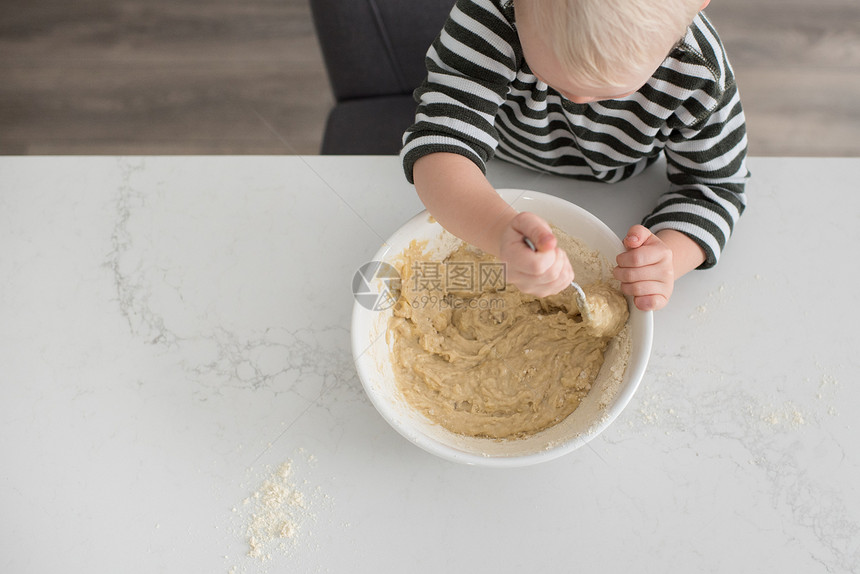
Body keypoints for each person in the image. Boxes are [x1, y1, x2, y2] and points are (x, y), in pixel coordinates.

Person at [400, 0, 749, 311]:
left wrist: (666, 259)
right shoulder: (490, 16)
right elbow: (440, 141)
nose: (579, 102)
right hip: (490, 168)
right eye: (547, 76)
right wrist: (496, 229)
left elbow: (716, 189)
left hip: (618, 186)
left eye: (617, 91)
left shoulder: (701, 77)